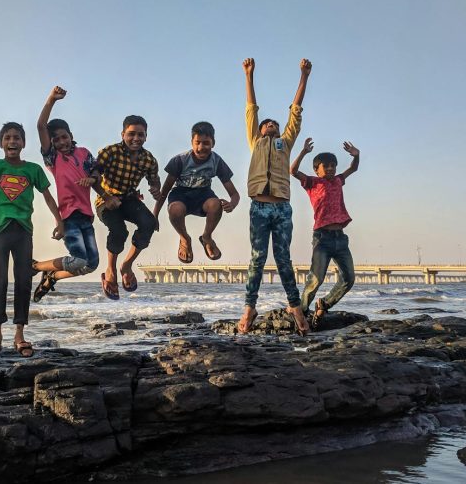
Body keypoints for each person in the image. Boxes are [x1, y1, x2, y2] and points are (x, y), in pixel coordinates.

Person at [0, 122, 63, 358]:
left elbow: (48, 197)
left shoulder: (33, 170)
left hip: (23, 230)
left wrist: (60, 221)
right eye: (7, 138)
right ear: (1, 143)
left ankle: (19, 334)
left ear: (23, 143)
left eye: (17, 138)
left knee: (23, 282)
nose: (12, 142)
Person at [239, 57, 313, 335]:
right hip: (259, 206)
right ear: (259, 131)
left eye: (274, 124)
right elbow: (251, 110)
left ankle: (294, 306)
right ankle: (249, 307)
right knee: (257, 258)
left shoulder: (285, 143)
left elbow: (295, 112)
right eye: (265, 124)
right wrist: (249, 75)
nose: (269, 125)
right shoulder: (255, 142)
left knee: (283, 259)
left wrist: (303, 77)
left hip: (281, 209)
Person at [30, 86, 100, 301]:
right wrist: (52, 99)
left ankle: (52, 277)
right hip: (68, 216)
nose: (61, 142)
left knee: (91, 265)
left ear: (71, 135)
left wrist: (94, 179)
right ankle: (36, 266)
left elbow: (97, 171)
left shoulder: (84, 153)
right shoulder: (54, 160)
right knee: (78, 260)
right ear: (51, 143)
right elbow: (41, 125)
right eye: (56, 140)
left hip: (86, 216)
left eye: (64, 137)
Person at [291, 137, 360, 330]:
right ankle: (302, 313)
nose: (330, 169)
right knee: (316, 279)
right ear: (316, 169)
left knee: (349, 279)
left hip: (341, 239)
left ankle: (324, 305)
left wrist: (356, 155)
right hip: (322, 238)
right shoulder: (312, 182)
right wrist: (304, 152)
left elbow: (353, 169)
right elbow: (293, 171)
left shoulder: (338, 180)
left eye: (333, 166)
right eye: (326, 166)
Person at [153, 121, 240, 263]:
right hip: (181, 194)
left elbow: (234, 194)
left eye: (206, 143)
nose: (201, 147)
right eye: (197, 142)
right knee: (175, 209)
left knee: (215, 204)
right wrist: (154, 215)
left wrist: (232, 204)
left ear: (213, 143)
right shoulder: (180, 160)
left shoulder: (216, 161)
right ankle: (184, 238)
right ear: (192, 142)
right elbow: (165, 190)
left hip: (203, 195)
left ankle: (206, 237)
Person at [96, 116, 162, 299]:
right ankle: (110, 270)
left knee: (149, 223)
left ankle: (126, 265)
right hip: (106, 200)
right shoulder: (109, 152)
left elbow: (154, 179)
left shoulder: (149, 159)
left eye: (140, 135)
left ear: (146, 136)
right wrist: (106, 196)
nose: (136, 138)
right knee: (119, 231)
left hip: (129, 199)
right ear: (123, 134)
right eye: (131, 134)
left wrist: (155, 189)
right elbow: (93, 177)